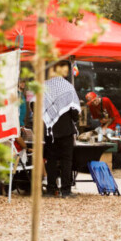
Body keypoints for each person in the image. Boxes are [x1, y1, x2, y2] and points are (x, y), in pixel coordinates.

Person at [43, 61, 81, 197]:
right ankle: (65, 190)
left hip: (49, 129)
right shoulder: (68, 87)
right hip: (65, 130)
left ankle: (50, 189)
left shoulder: (44, 86)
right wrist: (75, 120)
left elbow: (35, 106)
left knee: (51, 160)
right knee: (66, 160)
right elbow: (74, 110)